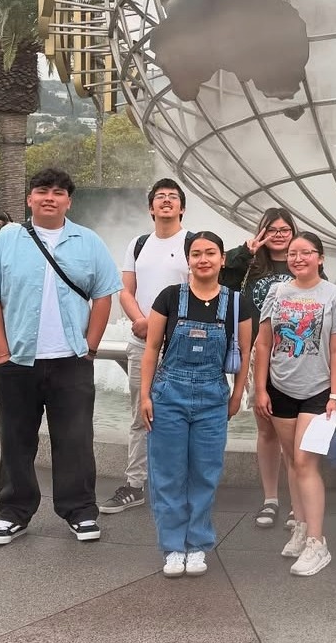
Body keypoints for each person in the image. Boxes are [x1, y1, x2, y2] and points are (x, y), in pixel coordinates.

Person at [0, 168, 121, 546]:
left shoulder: (88, 241)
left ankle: (80, 511)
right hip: (18, 361)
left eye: (57, 192)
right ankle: (13, 512)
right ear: (29, 199)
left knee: (75, 439)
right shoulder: (7, 239)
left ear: (69, 201)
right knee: (16, 439)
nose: (49, 197)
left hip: (71, 358)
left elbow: (104, 295)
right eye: (42, 191)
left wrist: (90, 347)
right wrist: (1, 352)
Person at [140, 230, 255, 576]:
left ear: (223, 259)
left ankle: (198, 543)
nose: (203, 259)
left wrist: (237, 395)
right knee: (168, 473)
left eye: (210, 253)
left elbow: (246, 351)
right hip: (168, 395)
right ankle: (174, 546)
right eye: (196, 253)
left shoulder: (238, 303)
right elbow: (151, 348)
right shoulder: (169, 298)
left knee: (205, 473)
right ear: (187, 260)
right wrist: (145, 395)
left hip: (212, 398)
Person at [254, 231, 336, 577]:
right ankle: (302, 524)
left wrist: (335, 395)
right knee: (292, 458)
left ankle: (317, 544)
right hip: (280, 387)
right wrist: (260, 388)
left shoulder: (334, 296)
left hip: (318, 389)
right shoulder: (277, 293)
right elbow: (263, 344)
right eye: (293, 253)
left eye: (306, 253)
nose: (298, 258)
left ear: (320, 258)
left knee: (306, 461)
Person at [103, 179, 191, 516]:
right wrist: (141, 321)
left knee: (183, 414)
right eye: (160, 198)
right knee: (141, 413)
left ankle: (178, 484)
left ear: (182, 207)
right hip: (142, 342)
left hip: (182, 345)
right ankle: (135, 484)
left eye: (173, 197)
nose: (166, 201)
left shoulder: (191, 242)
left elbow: (202, 286)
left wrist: (165, 327)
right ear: (151, 208)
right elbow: (125, 290)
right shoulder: (138, 244)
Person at [220, 206, 298, 529]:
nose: (279, 236)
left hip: (296, 355)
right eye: (273, 230)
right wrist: (244, 251)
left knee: (293, 434)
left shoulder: (302, 259)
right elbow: (223, 285)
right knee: (266, 428)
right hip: (257, 355)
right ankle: (270, 499)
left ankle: (298, 503)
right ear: (262, 233)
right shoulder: (251, 265)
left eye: (285, 230)